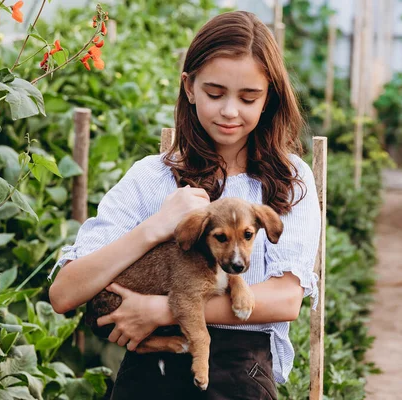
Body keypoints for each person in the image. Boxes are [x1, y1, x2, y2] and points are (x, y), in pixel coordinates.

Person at [48, 10, 320, 400]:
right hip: (147, 379)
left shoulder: (288, 181)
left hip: (239, 377)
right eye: (214, 93)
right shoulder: (151, 177)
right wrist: (155, 227)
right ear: (189, 88)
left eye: (248, 97)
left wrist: (162, 310)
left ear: (269, 97)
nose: (229, 110)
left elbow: (286, 299)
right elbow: (64, 293)